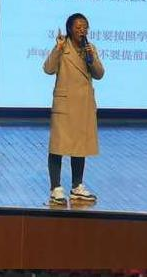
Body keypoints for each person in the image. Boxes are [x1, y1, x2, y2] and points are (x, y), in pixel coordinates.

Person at [43, 13, 105, 205]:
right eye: (78, 27)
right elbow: (48, 69)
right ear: (70, 29)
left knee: (80, 146)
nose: (82, 30)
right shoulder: (63, 47)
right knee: (58, 146)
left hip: (83, 105)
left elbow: (100, 74)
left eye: (85, 27)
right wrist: (57, 49)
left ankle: (77, 186)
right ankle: (55, 188)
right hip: (65, 104)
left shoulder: (90, 48)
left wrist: (91, 58)